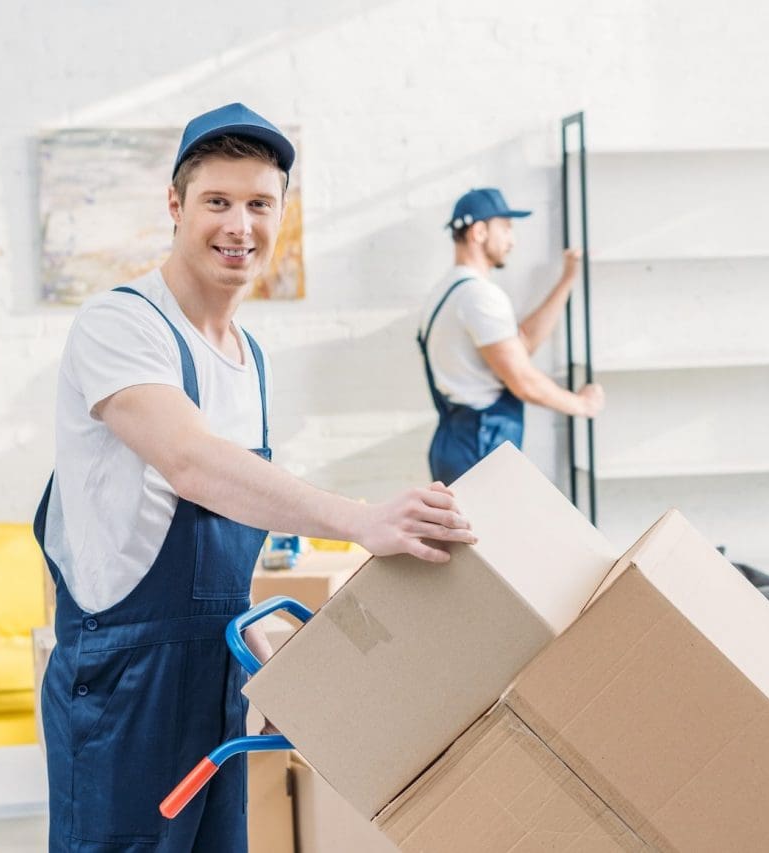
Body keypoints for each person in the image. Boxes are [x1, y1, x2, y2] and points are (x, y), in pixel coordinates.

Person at [33, 103, 476, 853]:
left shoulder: (249, 357)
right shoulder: (122, 325)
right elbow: (192, 463)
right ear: (175, 207)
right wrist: (363, 519)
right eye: (218, 201)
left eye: (259, 204)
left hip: (212, 678)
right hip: (124, 684)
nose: (240, 224)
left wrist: (249, 630)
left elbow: (218, 528)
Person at [418, 187, 605, 483]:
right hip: (480, 445)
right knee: (492, 530)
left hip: (456, 441)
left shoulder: (448, 290)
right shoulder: (479, 296)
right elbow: (522, 381)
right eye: (505, 228)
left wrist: (568, 279)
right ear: (479, 232)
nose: (512, 240)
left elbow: (521, 344)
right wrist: (581, 405)